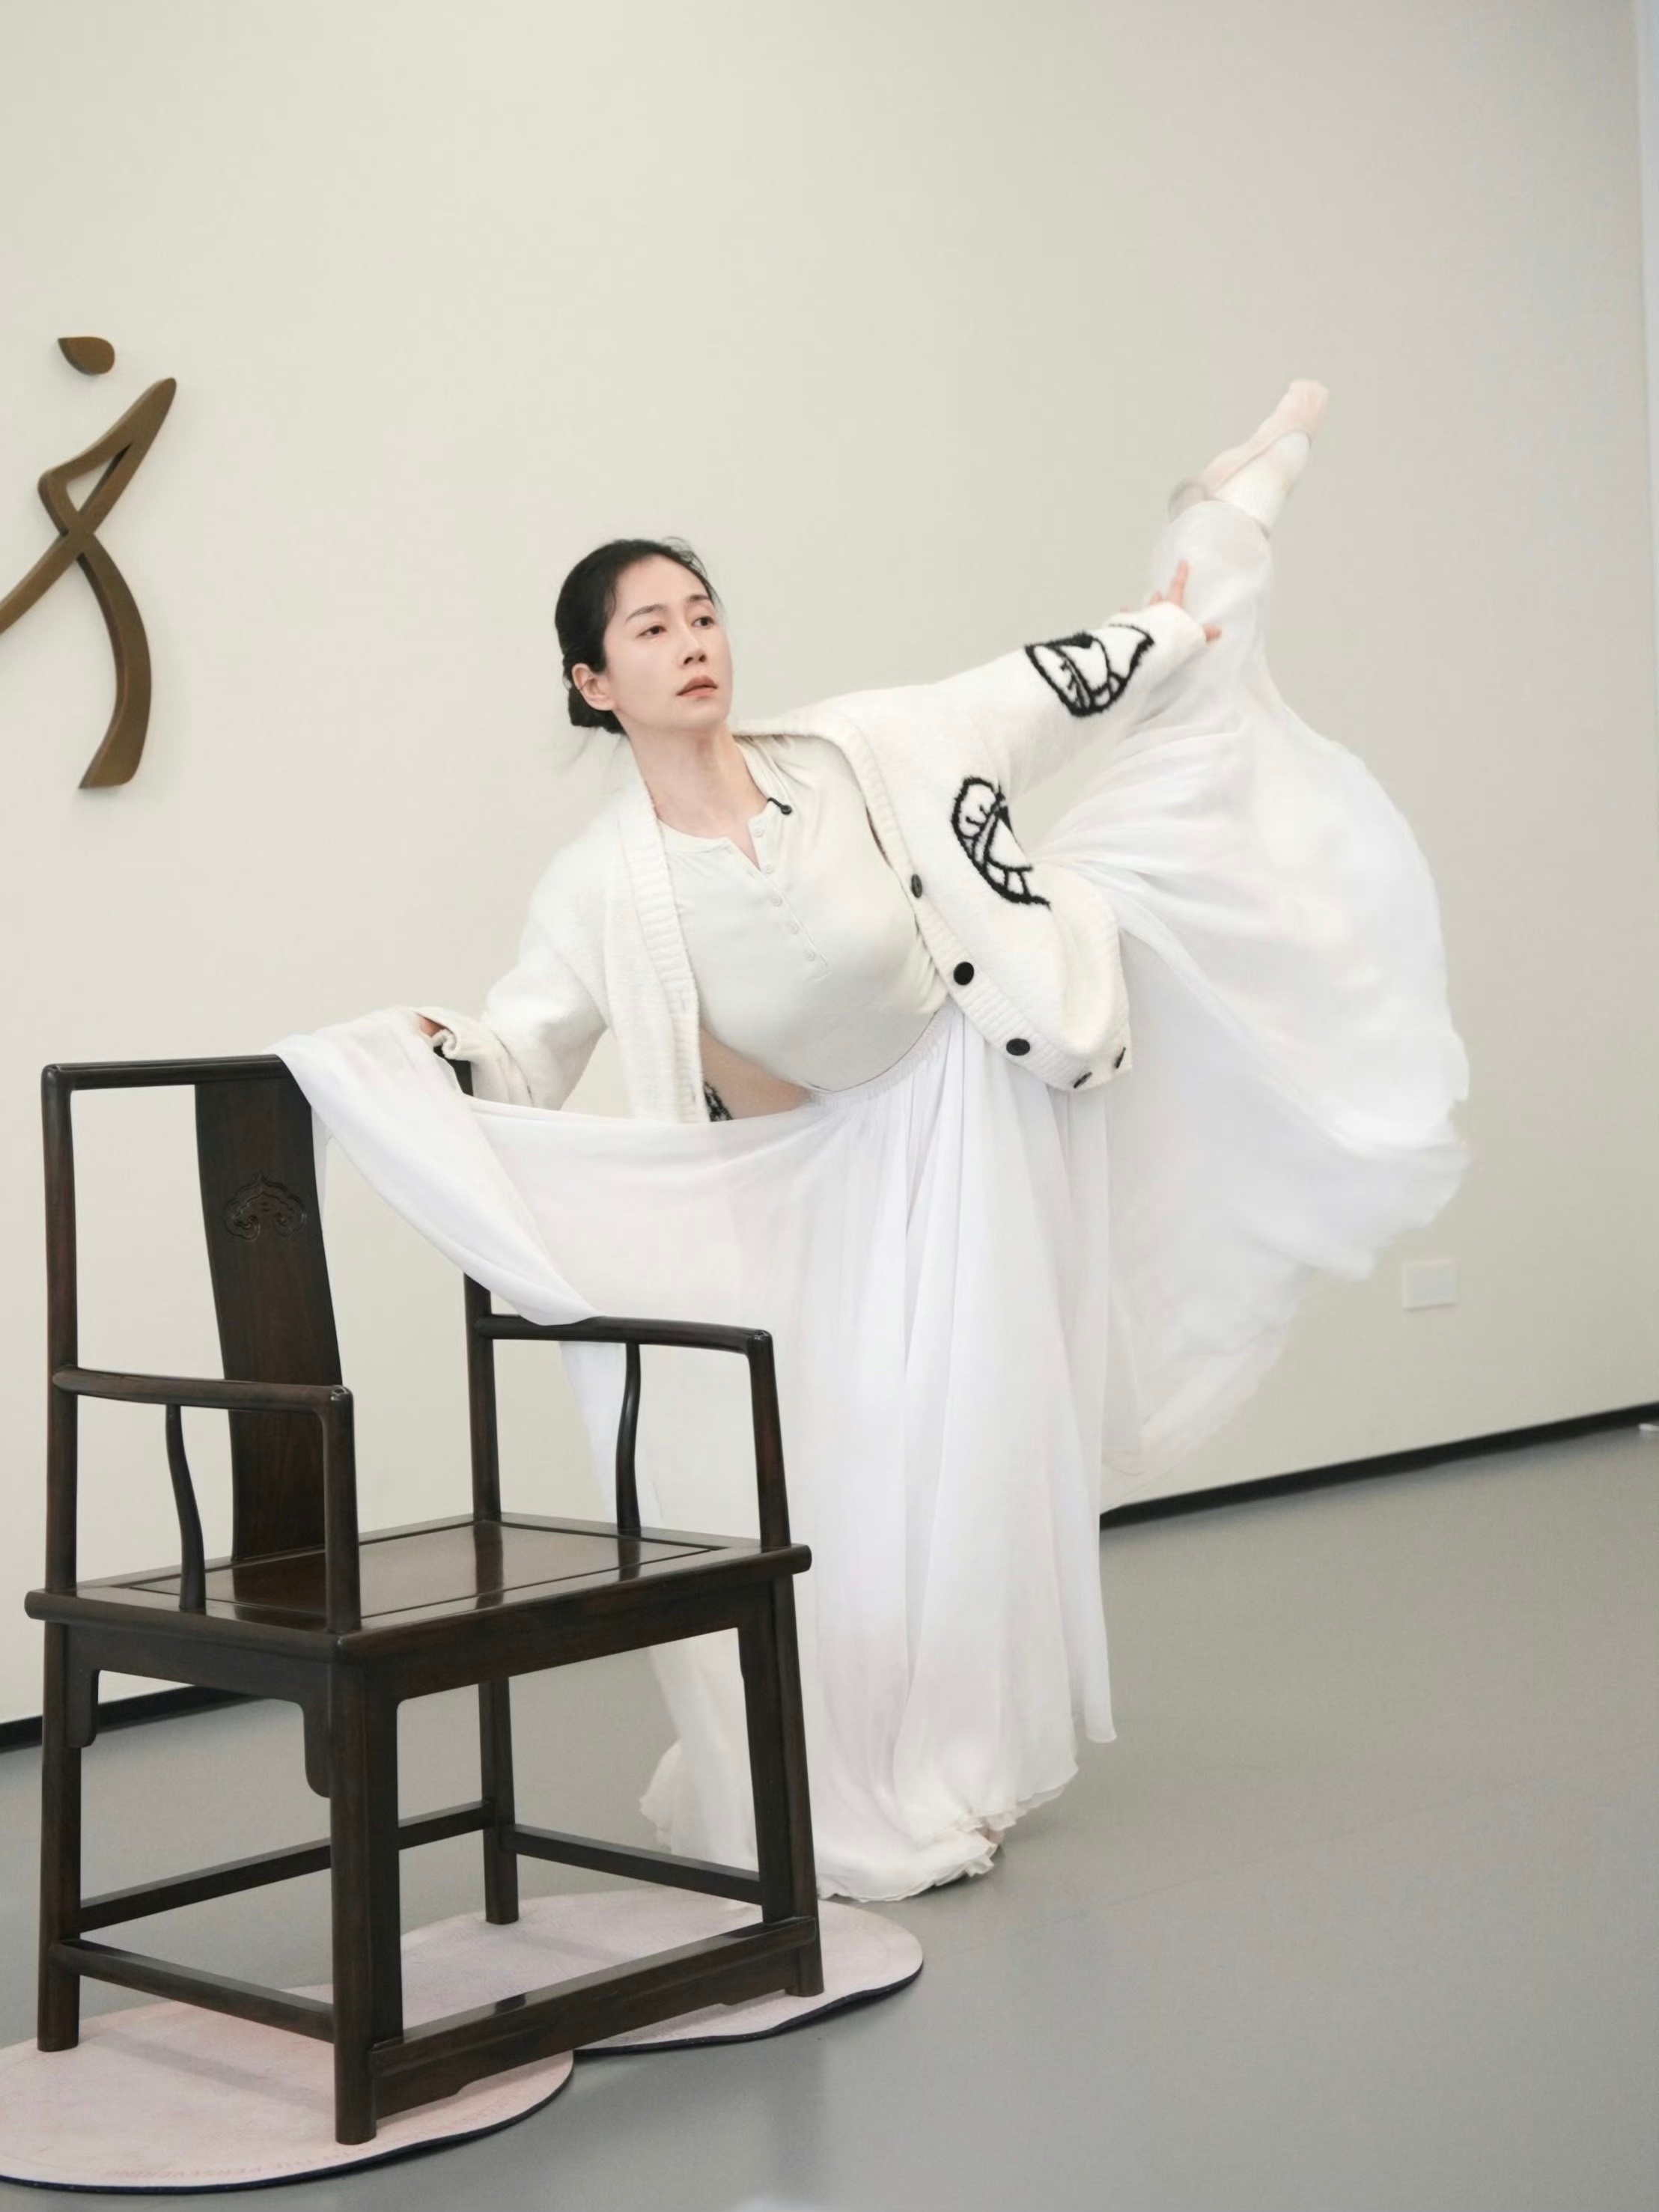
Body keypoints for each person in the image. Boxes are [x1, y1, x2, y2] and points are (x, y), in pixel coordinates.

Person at [279, 380, 1468, 1900]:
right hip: (819, 1172)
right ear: (591, 682)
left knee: (970, 1456)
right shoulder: (598, 884)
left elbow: (1051, 686)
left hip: (975, 1107)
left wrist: (1191, 594)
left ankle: (961, 1762)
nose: (692, 641)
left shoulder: (866, 748)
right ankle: (858, 1753)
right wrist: (435, 1053)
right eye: (650, 627)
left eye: (702, 613)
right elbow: (529, 1041)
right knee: (852, 1475)